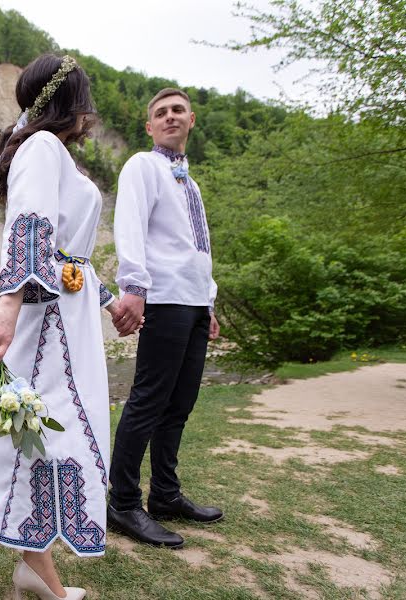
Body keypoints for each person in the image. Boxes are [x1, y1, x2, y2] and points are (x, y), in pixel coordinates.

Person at [0, 54, 127, 600]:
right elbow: (30, 223)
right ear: (76, 103)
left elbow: (70, 258)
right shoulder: (42, 148)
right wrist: (10, 303)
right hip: (44, 332)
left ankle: (39, 579)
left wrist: (108, 302)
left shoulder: (51, 153)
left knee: (44, 447)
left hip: (66, 323)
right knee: (27, 444)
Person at [106, 88, 224, 549]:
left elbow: (199, 246)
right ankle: (123, 502)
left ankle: (167, 496)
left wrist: (209, 302)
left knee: (180, 405)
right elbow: (130, 225)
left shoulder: (190, 183)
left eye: (177, 110)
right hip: (164, 298)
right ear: (149, 125)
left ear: (191, 120)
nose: (170, 117)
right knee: (148, 400)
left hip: (193, 302)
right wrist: (133, 287)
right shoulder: (143, 165)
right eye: (161, 113)